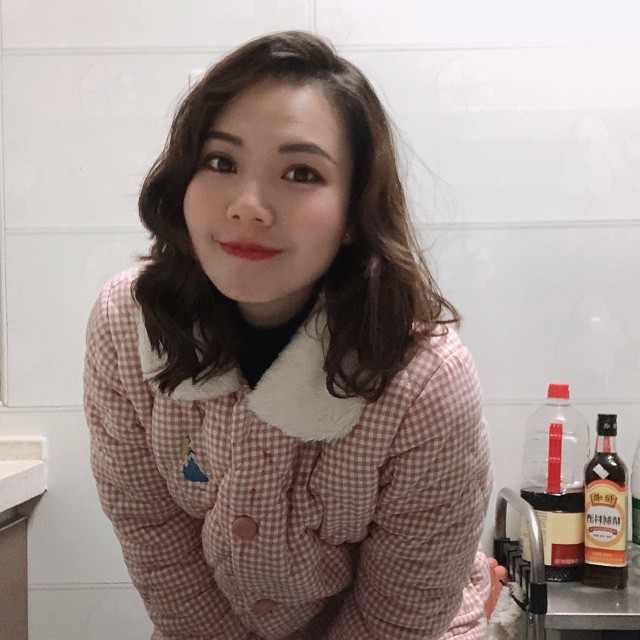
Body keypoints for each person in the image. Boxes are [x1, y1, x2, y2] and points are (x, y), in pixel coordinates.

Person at [84, 30, 493, 640]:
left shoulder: (424, 379)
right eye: (221, 162)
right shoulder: (127, 324)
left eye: (300, 172)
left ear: (353, 214)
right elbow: (154, 537)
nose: (249, 205)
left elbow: (400, 615)